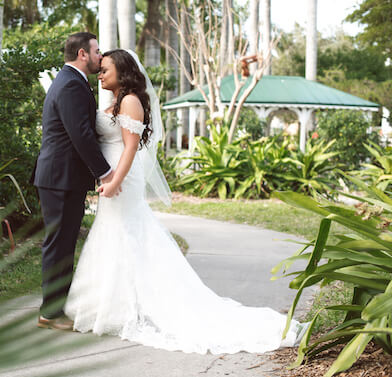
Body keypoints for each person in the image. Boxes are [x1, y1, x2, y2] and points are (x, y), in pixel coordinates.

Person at [64, 49, 307, 354]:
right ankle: (114, 307)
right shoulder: (115, 102)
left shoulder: (130, 101)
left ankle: (129, 307)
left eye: (106, 70)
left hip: (123, 177)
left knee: (125, 234)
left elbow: (129, 148)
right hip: (113, 178)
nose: (100, 74)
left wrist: (114, 180)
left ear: (123, 72)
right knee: (116, 235)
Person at [33, 32, 120, 331]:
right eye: (97, 52)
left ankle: (54, 308)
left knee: (64, 242)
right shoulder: (71, 84)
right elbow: (80, 134)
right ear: (83, 54)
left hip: (63, 177)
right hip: (60, 177)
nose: (100, 56)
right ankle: (51, 313)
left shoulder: (72, 82)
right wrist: (106, 172)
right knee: (59, 244)